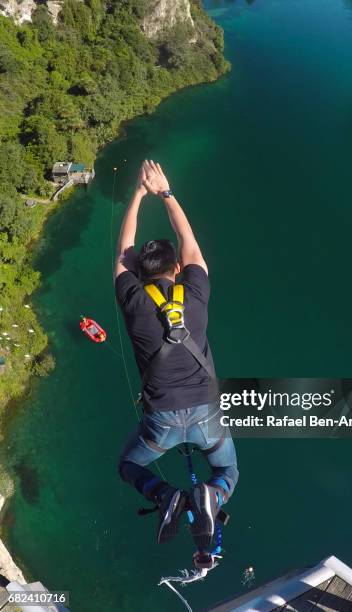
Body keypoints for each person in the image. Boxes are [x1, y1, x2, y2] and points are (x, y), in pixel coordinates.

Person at [114, 160, 238, 568]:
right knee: (227, 474)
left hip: (161, 421)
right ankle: (212, 495)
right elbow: (187, 241)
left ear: (137, 274)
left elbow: (123, 252)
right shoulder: (196, 292)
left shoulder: (132, 301)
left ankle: (165, 494)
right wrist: (163, 192)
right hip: (206, 411)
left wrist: (135, 194)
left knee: (130, 464)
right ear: (179, 271)